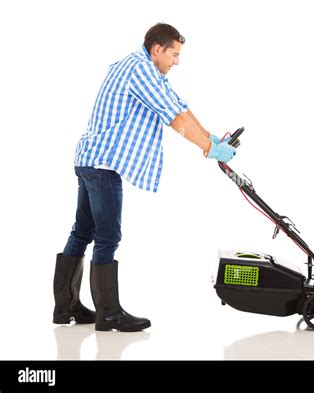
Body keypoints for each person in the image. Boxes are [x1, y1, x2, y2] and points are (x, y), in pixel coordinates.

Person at [53, 22, 236, 332]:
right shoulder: (140, 72)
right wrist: (208, 150)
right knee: (107, 237)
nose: (176, 62)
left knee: (82, 232)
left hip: (89, 159)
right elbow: (174, 117)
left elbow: (180, 106)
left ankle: (66, 308)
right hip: (103, 164)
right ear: (157, 49)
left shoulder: (141, 67)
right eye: (174, 55)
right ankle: (108, 313)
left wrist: (211, 138)